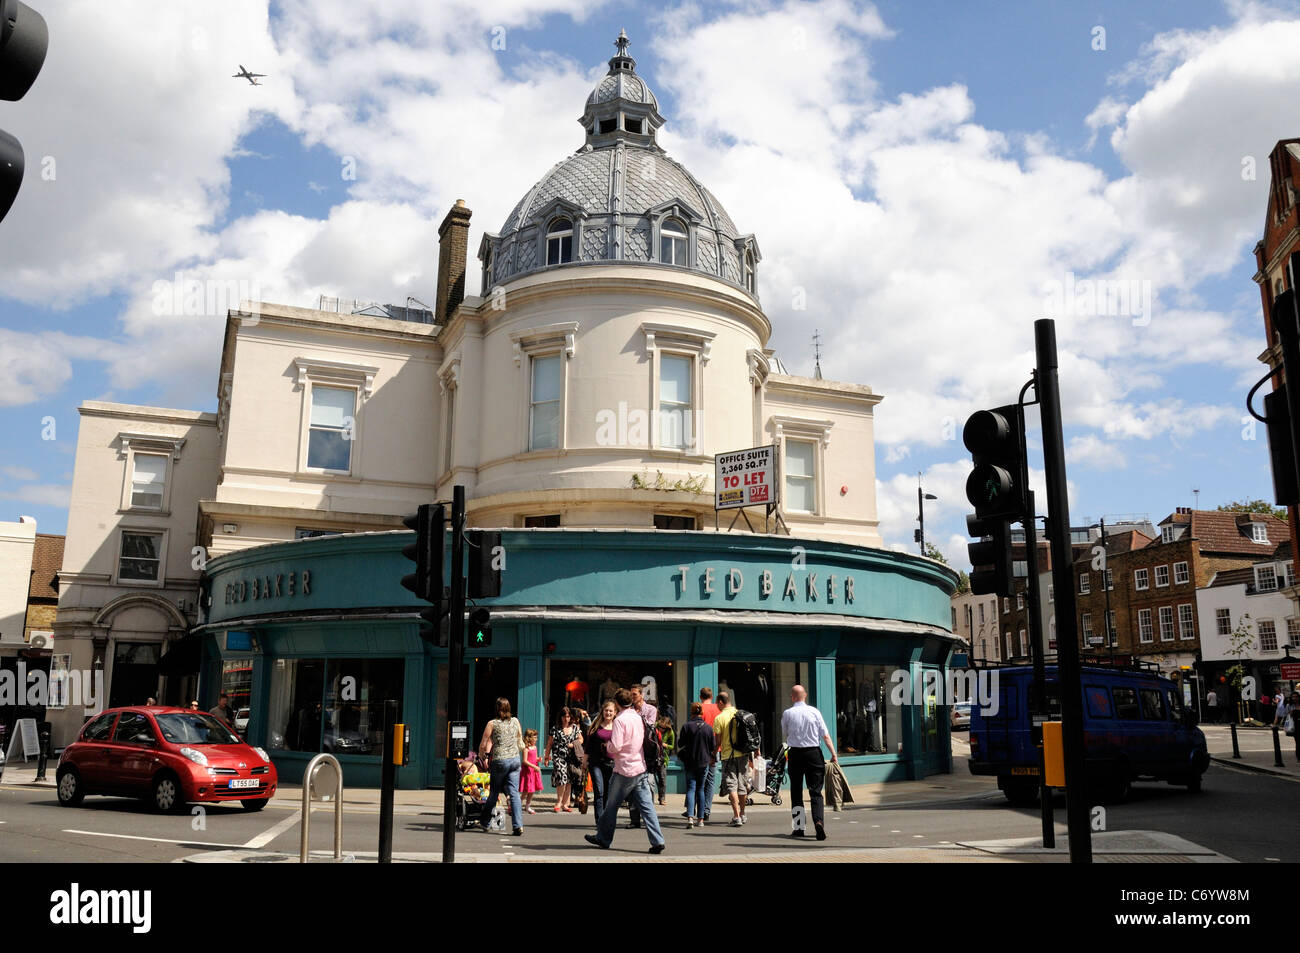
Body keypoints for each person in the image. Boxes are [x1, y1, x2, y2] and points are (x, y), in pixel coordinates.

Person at [584, 689, 665, 854]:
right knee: (647, 807)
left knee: (611, 806)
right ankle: (658, 840)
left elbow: (616, 747)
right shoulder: (637, 716)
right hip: (640, 766)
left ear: (617, 703)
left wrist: (607, 746)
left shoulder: (620, 720)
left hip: (624, 769)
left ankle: (603, 838)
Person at [781, 685, 837, 841]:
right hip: (813, 753)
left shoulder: (787, 713)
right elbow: (825, 735)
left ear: (792, 697)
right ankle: (818, 822)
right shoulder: (815, 712)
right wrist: (833, 753)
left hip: (795, 754)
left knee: (796, 792)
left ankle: (799, 828)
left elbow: (785, 733)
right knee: (816, 792)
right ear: (804, 695)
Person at [477, 697, 525, 836]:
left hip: (500, 761)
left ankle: (485, 822)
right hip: (515, 760)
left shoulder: (492, 723)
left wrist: (482, 757)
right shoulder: (515, 721)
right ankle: (518, 825)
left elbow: (483, 743)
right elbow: (519, 738)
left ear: (497, 709)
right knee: (514, 793)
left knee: (494, 792)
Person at [712, 691, 751, 827]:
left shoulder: (720, 718)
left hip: (728, 756)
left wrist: (713, 755)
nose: (717, 706)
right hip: (743, 755)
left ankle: (736, 816)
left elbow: (718, 742)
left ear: (721, 702)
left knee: (731, 786)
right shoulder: (741, 714)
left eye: (717, 703)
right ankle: (743, 813)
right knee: (742, 785)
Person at [626, 684, 660, 827]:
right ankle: (634, 820)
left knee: (648, 786)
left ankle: (648, 819)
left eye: (634, 694)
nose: (632, 697)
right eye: (630, 695)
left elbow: (649, 727)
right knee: (632, 786)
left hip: (647, 753)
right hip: (633, 753)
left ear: (641, 695)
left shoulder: (651, 710)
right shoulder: (629, 710)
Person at [677, 703, 714, 827]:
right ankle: (701, 819)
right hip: (704, 762)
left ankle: (690, 817)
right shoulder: (708, 728)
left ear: (691, 712)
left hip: (690, 761)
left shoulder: (687, 726)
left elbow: (680, 743)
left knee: (691, 789)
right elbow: (713, 747)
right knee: (701, 789)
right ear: (702, 713)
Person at [543, 706, 582, 812]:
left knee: (569, 779)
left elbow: (581, 739)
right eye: (564, 716)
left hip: (571, 757)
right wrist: (546, 757)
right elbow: (549, 743)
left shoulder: (575, 728)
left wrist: (573, 744)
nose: (566, 719)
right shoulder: (555, 728)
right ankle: (559, 802)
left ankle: (565, 804)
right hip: (558, 756)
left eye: (568, 716)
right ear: (560, 717)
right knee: (562, 776)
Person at [584, 700, 617, 824]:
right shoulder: (596, 726)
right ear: (602, 711)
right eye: (606, 710)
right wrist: (584, 761)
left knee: (608, 793)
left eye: (610, 711)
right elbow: (588, 745)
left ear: (615, 713)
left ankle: (605, 818)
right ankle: (599, 820)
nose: (608, 713)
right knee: (599, 791)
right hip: (595, 762)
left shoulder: (617, 726)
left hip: (611, 763)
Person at [520, 729, 543, 814]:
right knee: (526, 790)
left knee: (532, 790)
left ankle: (527, 806)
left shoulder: (535, 748)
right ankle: (517, 805)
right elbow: (525, 761)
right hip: (528, 771)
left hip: (533, 772)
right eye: (535, 737)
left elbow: (534, 758)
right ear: (529, 738)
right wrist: (534, 766)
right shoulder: (526, 749)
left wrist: (538, 759)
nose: (536, 739)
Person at [655, 715, 675, 806]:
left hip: (663, 758)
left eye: (664, 728)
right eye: (660, 727)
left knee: (662, 779)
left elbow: (672, 746)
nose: (661, 729)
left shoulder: (670, 733)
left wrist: (665, 745)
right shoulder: (654, 728)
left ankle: (662, 798)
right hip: (652, 756)